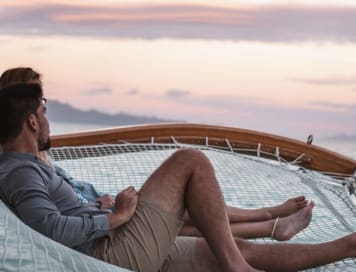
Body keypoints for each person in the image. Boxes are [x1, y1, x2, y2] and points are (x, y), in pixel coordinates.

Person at [0, 80, 356, 272]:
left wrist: (105, 212)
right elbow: (49, 228)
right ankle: (244, 265)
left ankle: (354, 245)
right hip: (111, 253)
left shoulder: (29, 167)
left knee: (232, 250)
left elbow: (55, 217)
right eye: (45, 112)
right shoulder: (20, 172)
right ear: (32, 122)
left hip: (117, 248)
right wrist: (114, 218)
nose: (48, 120)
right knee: (190, 161)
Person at [0, 67, 314, 241]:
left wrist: (102, 204)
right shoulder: (23, 170)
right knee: (182, 211)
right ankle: (270, 221)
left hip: (101, 207)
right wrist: (110, 212)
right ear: (27, 117)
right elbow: (58, 221)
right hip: (103, 218)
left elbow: (70, 204)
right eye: (42, 106)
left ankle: (271, 221)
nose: (45, 113)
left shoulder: (35, 159)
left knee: (187, 217)